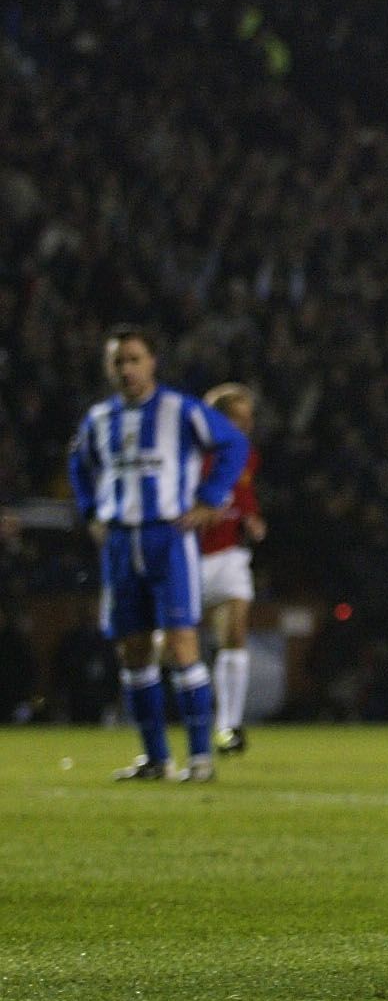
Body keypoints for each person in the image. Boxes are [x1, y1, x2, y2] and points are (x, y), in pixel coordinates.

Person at [67, 325, 249, 782]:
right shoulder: (100, 418)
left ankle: (201, 759)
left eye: (134, 359)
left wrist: (209, 498)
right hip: (121, 542)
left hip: (168, 539)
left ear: (152, 363)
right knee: (132, 650)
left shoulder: (179, 409)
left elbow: (233, 444)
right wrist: (91, 511)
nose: (126, 369)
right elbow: (78, 463)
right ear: (108, 368)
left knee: (182, 642)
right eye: (118, 362)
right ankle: (155, 758)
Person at [199, 382, 266, 755]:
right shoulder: (192, 454)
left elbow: (244, 495)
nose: (245, 424)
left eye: (248, 417)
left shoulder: (247, 455)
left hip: (229, 556)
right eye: (237, 418)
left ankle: (229, 726)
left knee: (235, 632)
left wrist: (252, 519)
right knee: (171, 646)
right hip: (189, 557)